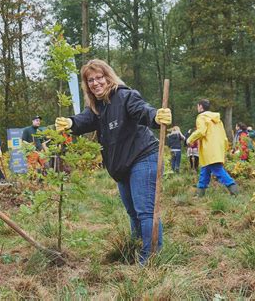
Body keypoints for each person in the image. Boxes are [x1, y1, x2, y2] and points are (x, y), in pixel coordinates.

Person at [55, 59, 172, 264]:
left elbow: (142, 110)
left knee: (145, 210)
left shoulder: (125, 96)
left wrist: (155, 116)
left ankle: (152, 259)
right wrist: (71, 122)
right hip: (121, 167)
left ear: (108, 77)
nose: (95, 83)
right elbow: (85, 120)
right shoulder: (96, 108)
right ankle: (136, 249)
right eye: (90, 80)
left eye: (99, 77)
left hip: (142, 157)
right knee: (132, 212)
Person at [186, 99, 238, 196]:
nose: (197, 108)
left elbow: (201, 131)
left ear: (201, 106)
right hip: (217, 147)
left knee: (217, 169)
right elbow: (224, 135)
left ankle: (233, 189)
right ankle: (200, 193)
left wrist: (189, 139)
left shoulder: (201, 117)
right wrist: (224, 148)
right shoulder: (217, 119)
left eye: (198, 106)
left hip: (208, 149)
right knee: (205, 170)